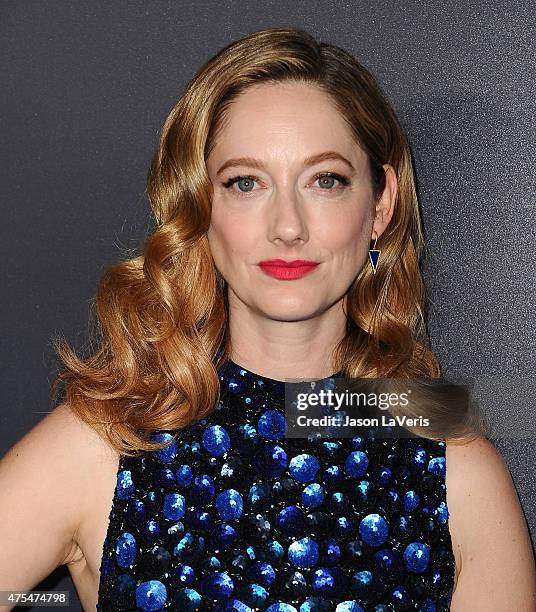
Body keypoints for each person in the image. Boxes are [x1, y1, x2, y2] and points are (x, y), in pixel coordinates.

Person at [1, 26, 535, 612]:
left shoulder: (456, 470)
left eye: (324, 180)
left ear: (381, 204)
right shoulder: (109, 446)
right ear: (199, 204)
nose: (287, 225)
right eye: (245, 183)